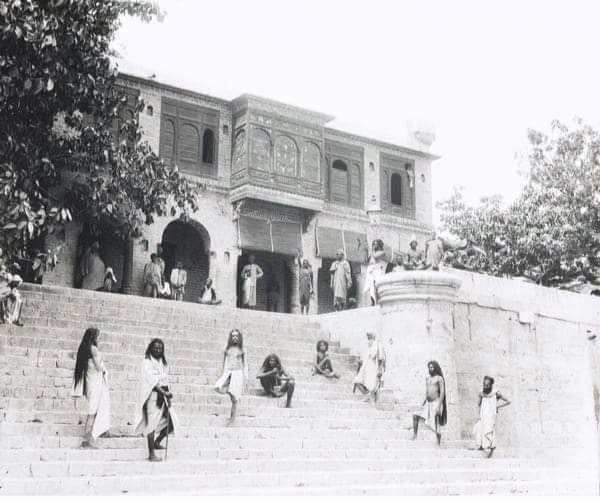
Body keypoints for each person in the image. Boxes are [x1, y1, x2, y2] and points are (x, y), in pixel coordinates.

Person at [134, 338, 178, 462]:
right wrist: (164, 392)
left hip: (163, 396)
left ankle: (157, 442)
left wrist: (167, 395)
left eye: (160, 348)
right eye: (155, 348)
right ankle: (151, 454)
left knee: (172, 422)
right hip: (152, 396)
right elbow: (152, 382)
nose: (158, 350)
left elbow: (165, 380)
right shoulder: (146, 362)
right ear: (151, 348)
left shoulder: (161, 362)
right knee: (152, 425)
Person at [71, 327, 111, 448]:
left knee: (96, 409)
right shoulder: (93, 349)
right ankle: (85, 441)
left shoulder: (84, 349)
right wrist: (103, 363)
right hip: (95, 384)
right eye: (98, 336)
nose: (99, 339)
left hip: (90, 383)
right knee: (92, 412)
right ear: (93, 338)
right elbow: (99, 367)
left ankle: (101, 430)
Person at [214, 329, 248, 424]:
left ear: (239, 337)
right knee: (218, 387)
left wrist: (245, 377)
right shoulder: (226, 348)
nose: (235, 337)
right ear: (230, 337)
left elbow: (245, 364)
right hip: (228, 372)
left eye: (237, 336)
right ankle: (230, 392)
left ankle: (232, 418)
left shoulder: (243, 350)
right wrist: (222, 373)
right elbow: (223, 362)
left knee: (235, 398)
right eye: (233, 336)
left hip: (238, 373)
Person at [473, 376, 511, 458]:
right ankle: (480, 446)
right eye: (484, 384)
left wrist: (498, 406)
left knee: (489, 430)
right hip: (483, 414)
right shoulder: (481, 393)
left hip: (491, 415)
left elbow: (508, 401)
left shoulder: (496, 392)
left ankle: (492, 448)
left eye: (487, 385)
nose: (485, 386)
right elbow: (478, 404)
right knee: (479, 428)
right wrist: (478, 415)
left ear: (491, 385)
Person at [412, 360, 447, 445]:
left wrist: (439, 406)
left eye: (432, 367)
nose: (430, 369)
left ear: (435, 368)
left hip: (436, 402)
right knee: (415, 416)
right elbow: (427, 392)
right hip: (428, 403)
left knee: (436, 421)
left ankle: (438, 442)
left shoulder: (439, 378)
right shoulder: (427, 378)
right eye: (429, 367)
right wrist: (422, 404)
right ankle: (415, 436)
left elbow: (442, 393)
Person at [353, 332, 386, 403]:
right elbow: (366, 356)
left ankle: (371, 398)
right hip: (365, 366)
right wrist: (361, 361)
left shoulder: (377, 344)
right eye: (368, 336)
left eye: (370, 336)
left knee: (371, 384)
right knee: (357, 381)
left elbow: (380, 358)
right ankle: (367, 395)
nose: (368, 337)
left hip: (373, 366)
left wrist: (380, 369)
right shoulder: (368, 345)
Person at [364, 239, 388, 305]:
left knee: (377, 285)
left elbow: (375, 257)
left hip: (377, 270)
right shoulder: (372, 252)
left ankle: (378, 300)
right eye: (373, 244)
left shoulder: (382, 252)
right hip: (371, 269)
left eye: (376, 244)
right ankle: (372, 301)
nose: (374, 245)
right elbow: (366, 262)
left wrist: (372, 250)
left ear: (379, 245)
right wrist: (366, 253)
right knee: (371, 286)